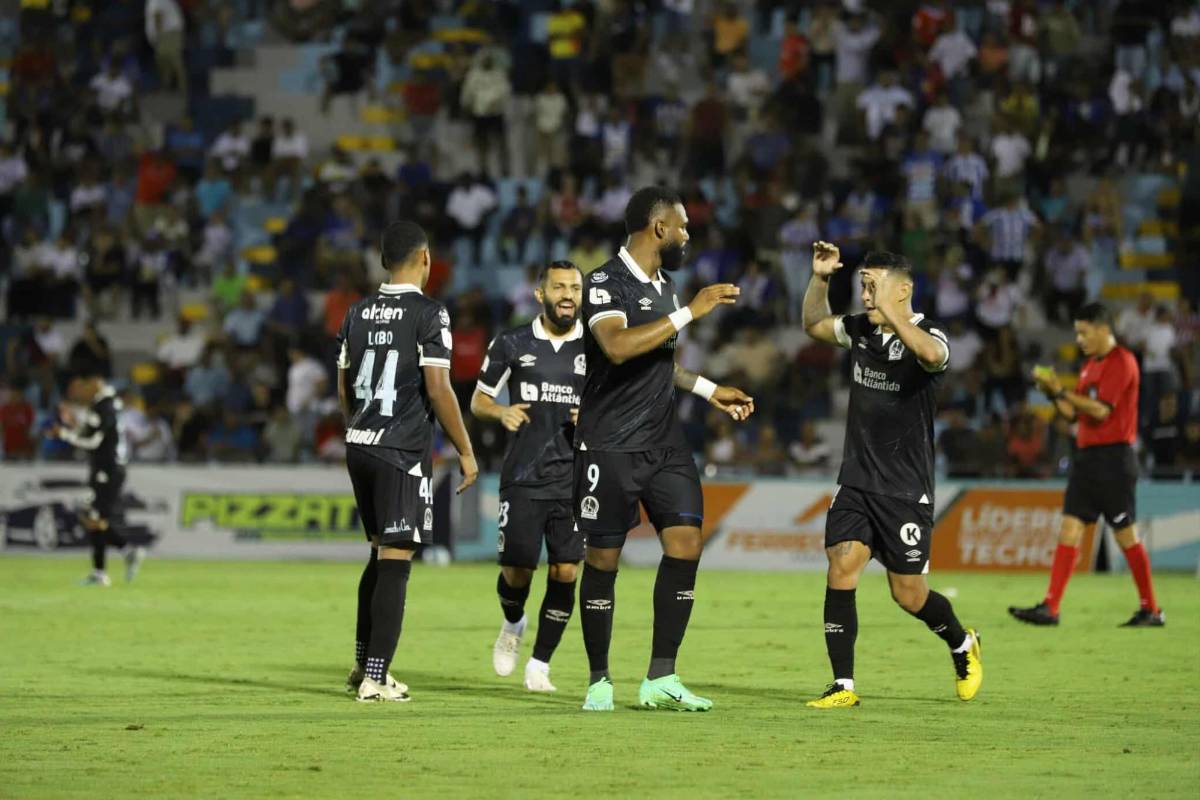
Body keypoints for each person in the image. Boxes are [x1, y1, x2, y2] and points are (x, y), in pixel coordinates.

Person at [575, 187, 755, 712]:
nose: (686, 236)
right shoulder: (605, 282)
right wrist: (690, 315)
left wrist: (709, 390)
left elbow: (660, 363)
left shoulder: (667, 287)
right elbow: (617, 345)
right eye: (682, 227)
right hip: (609, 444)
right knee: (603, 559)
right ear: (658, 229)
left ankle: (661, 676)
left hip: (664, 442)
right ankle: (599, 680)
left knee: (686, 544)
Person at [801, 243, 982, 709]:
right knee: (841, 568)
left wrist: (890, 313)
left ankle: (962, 642)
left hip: (905, 489)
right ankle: (843, 686)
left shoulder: (929, 335)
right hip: (857, 480)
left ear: (903, 290)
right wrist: (821, 279)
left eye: (874, 286)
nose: (865, 295)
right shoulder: (861, 331)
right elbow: (814, 325)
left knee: (909, 594)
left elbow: (933, 356)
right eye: (862, 285)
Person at [336, 221, 479, 703]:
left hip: (360, 443)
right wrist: (465, 449)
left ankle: (362, 665)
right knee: (396, 561)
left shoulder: (355, 313)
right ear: (425, 259)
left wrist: (359, 428)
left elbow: (344, 385)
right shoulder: (429, 313)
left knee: (379, 554)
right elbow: (439, 388)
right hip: (399, 450)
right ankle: (377, 677)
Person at [470, 261, 586, 692]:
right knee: (519, 570)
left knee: (566, 570)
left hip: (576, 479)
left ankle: (540, 665)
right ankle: (513, 623)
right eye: (559, 287)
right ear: (541, 295)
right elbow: (479, 400)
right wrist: (501, 411)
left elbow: (619, 407)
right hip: (523, 474)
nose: (569, 294)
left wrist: (593, 416)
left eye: (575, 287)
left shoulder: (597, 347)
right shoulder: (513, 342)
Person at [1011, 303, 1163, 627]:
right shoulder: (1088, 366)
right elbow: (1073, 415)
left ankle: (1151, 609)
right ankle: (1051, 607)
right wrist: (1053, 395)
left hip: (1114, 460)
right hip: (1087, 460)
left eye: (1083, 332)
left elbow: (1101, 411)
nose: (1079, 339)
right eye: (1077, 333)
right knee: (1069, 529)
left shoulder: (1122, 361)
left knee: (1125, 535)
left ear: (1103, 329)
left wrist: (1063, 390)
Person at [48, 370, 146, 586]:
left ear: (93, 383)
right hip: (105, 468)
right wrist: (72, 423)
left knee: (93, 516)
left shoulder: (105, 405)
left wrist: (64, 434)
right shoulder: (104, 405)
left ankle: (117, 559)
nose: (77, 393)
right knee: (93, 517)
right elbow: (92, 433)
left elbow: (93, 442)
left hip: (108, 469)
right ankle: (113, 562)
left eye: (79, 388)